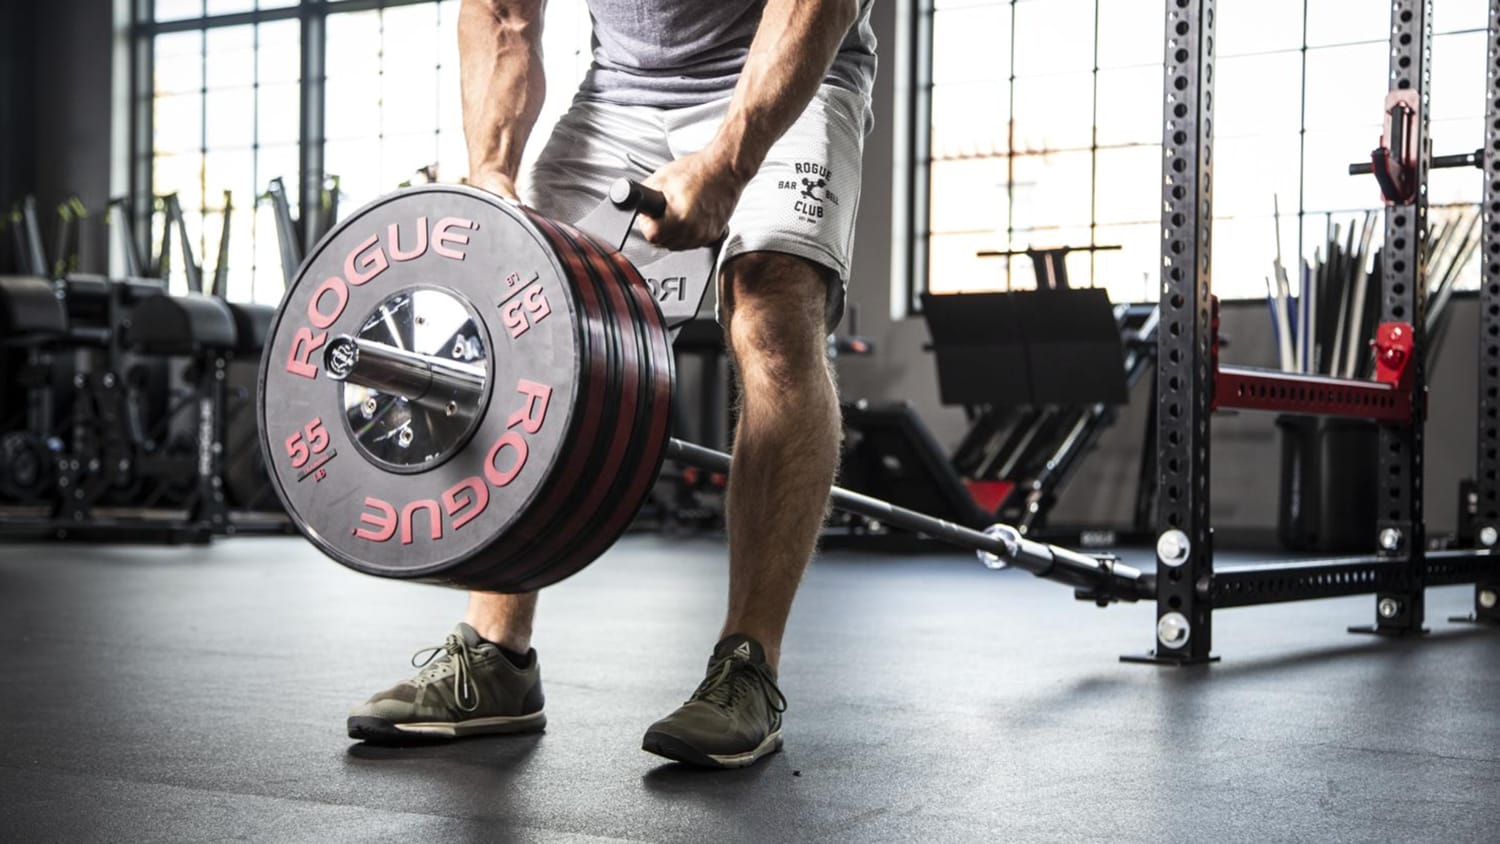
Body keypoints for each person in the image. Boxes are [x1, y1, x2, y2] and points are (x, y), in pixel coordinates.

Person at [346, 0, 875, 769]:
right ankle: (496, 656)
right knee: (522, 312)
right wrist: (491, 173)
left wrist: (729, 164)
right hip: (621, 97)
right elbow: (501, 15)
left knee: (771, 307)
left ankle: (749, 664)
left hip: (791, 70)